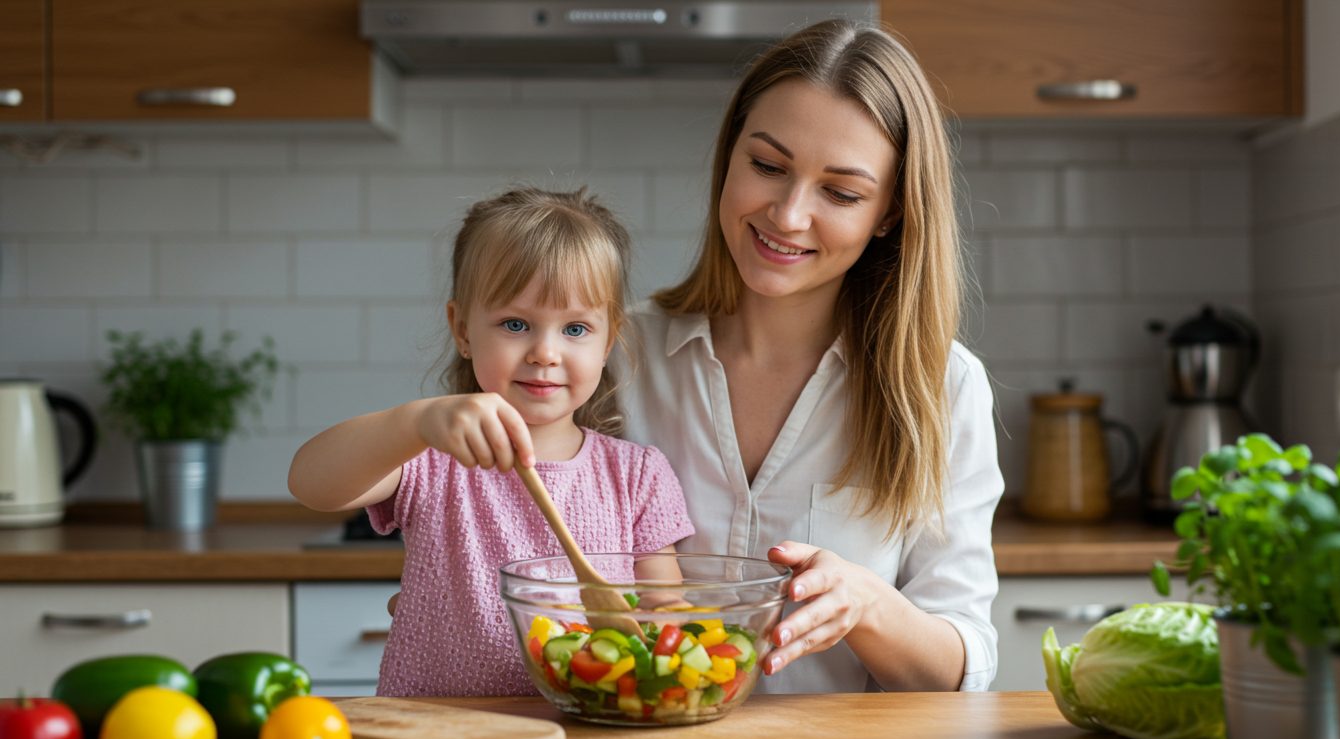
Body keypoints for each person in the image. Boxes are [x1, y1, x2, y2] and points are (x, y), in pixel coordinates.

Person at [616, 18, 1003, 693]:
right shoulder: (615, 359)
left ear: (889, 212)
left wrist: (868, 605)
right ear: (729, 156)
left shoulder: (944, 387)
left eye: (841, 192)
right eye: (767, 166)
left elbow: (958, 666)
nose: (789, 214)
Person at [286, 187, 695, 696]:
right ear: (462, 329)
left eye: (575, 328)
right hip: (435, 731)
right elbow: (310, 483)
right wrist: (413, 424)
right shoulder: (429, 456)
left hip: (585, 731)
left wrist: (671, 629)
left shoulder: (638, 475)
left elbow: (662, 606)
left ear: (608, 339)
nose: (545, 352)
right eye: (515, 324)